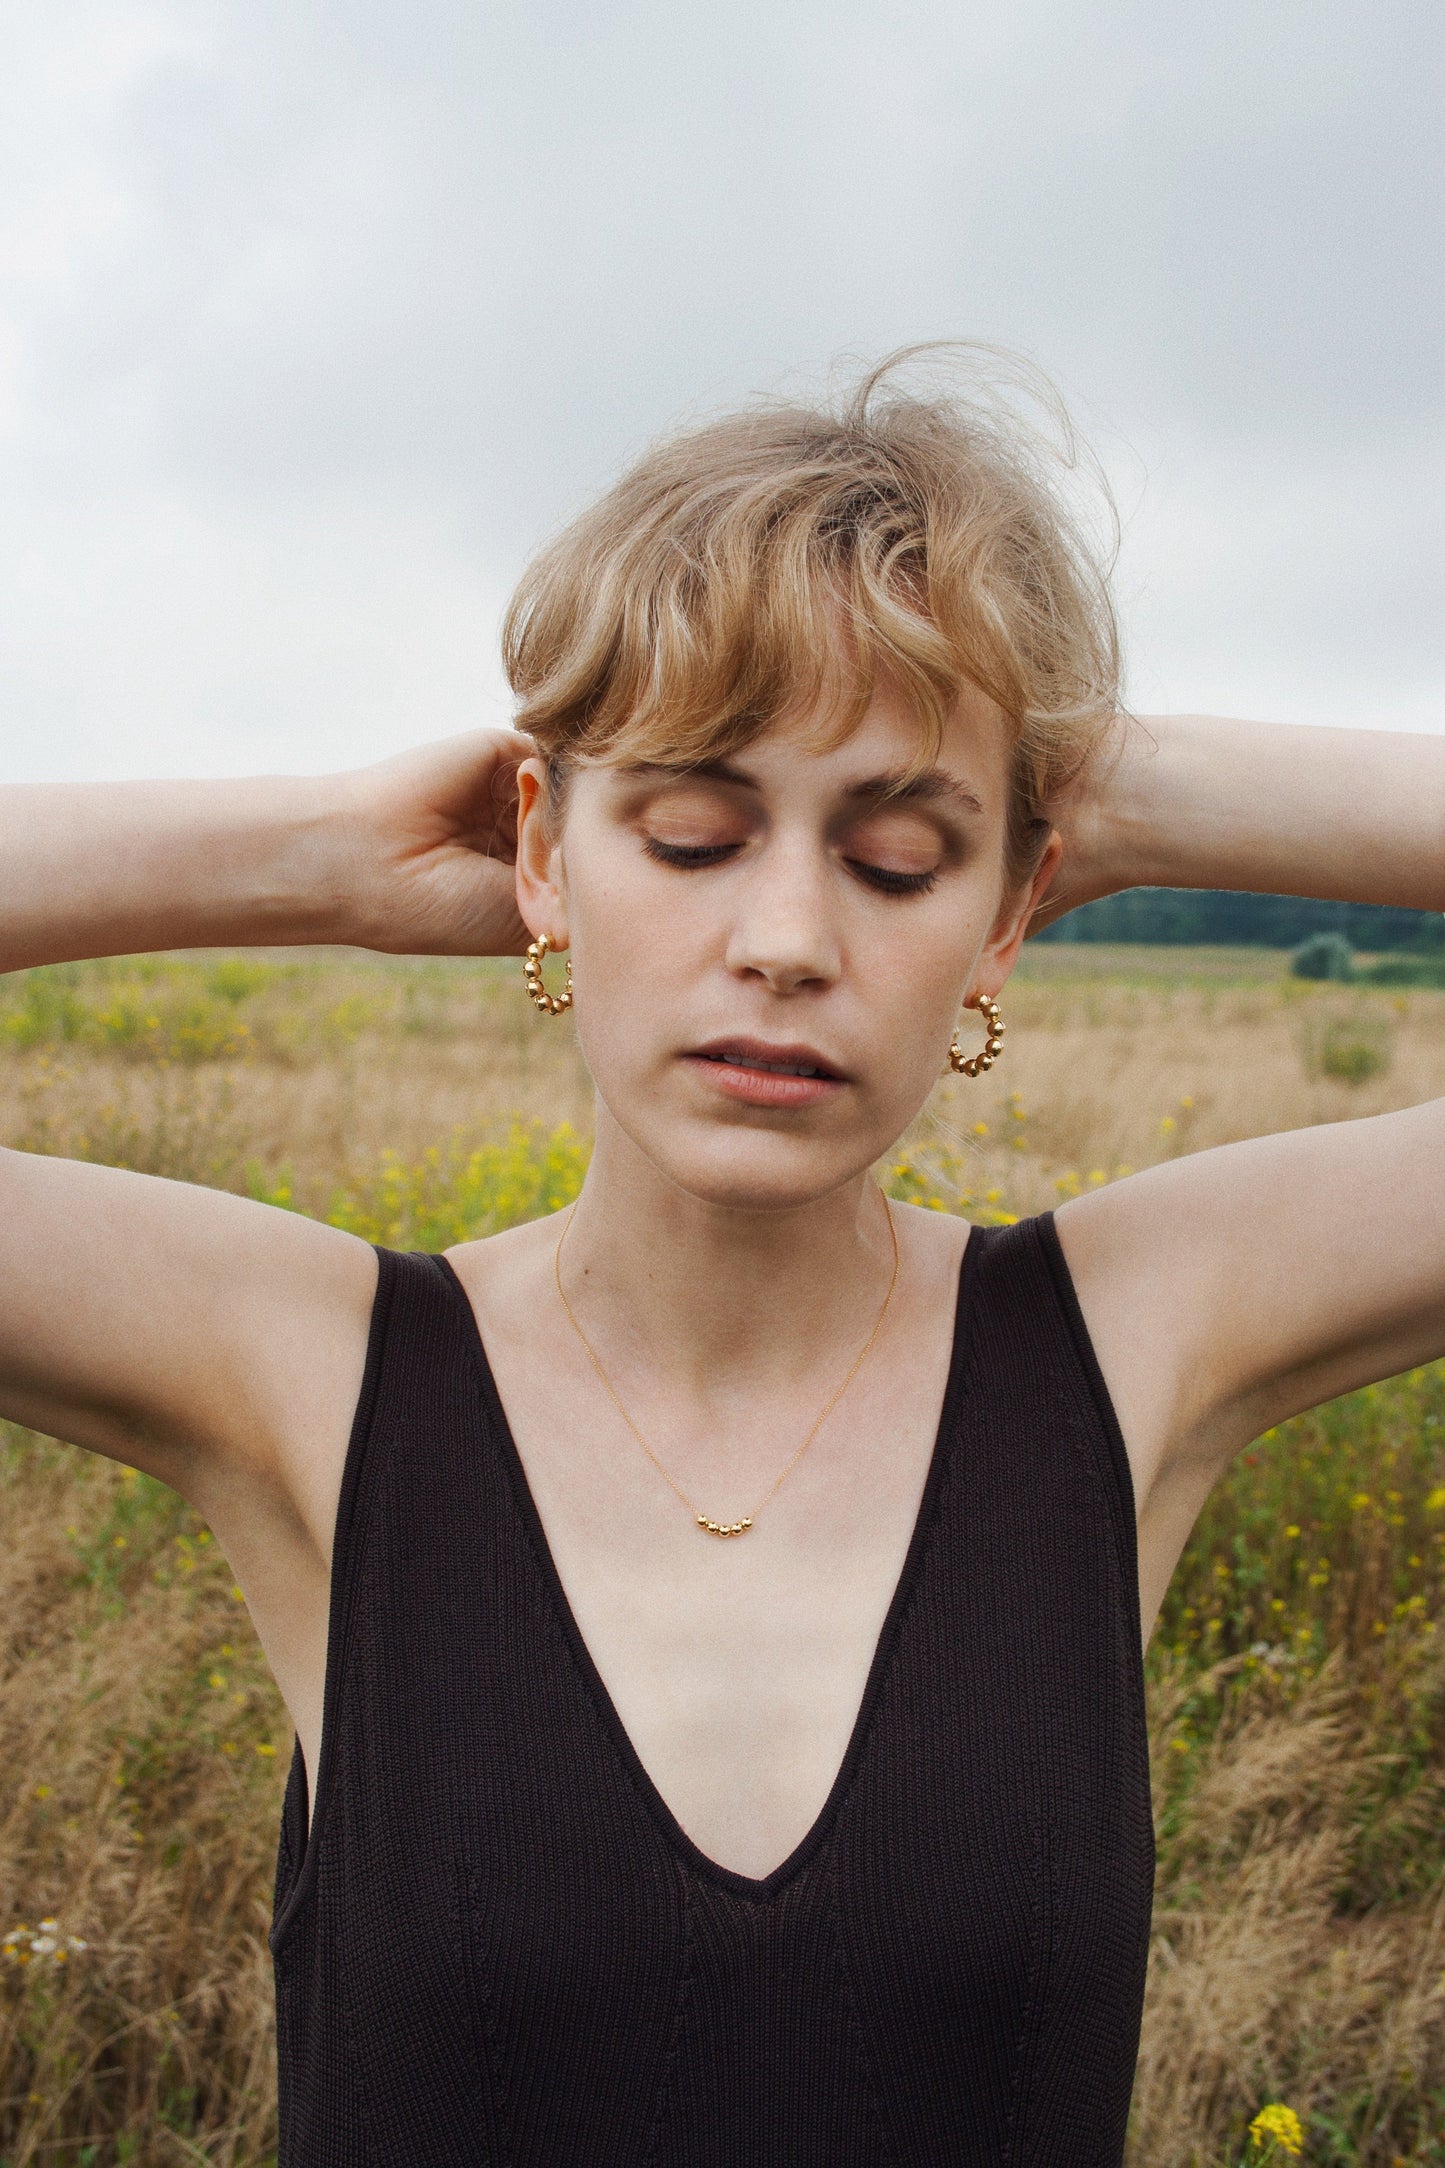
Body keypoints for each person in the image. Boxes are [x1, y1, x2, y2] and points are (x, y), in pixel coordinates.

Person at [0, 351, 1441, 2168]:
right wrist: (315, 854)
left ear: (1013, 912)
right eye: (689, 832)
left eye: (901, 860)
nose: (782, 938)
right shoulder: (305, 1368)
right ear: (542, 850)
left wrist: (1131, 782)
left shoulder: (1136, 1338)